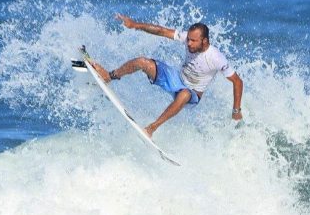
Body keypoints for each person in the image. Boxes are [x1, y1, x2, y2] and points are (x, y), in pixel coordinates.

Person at [91, 14, 244, 138]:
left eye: (193, 41)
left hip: (192, 94)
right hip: (176, 79)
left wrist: (236, 110)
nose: (188, 43)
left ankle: (152, 128)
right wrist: (135, 25)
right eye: (188, 39)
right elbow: (162, 31)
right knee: (142, 62)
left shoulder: (216, 58)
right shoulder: (188, 40)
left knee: (184, 93)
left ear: (204, 41)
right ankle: (108, 76)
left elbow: (237, 82)